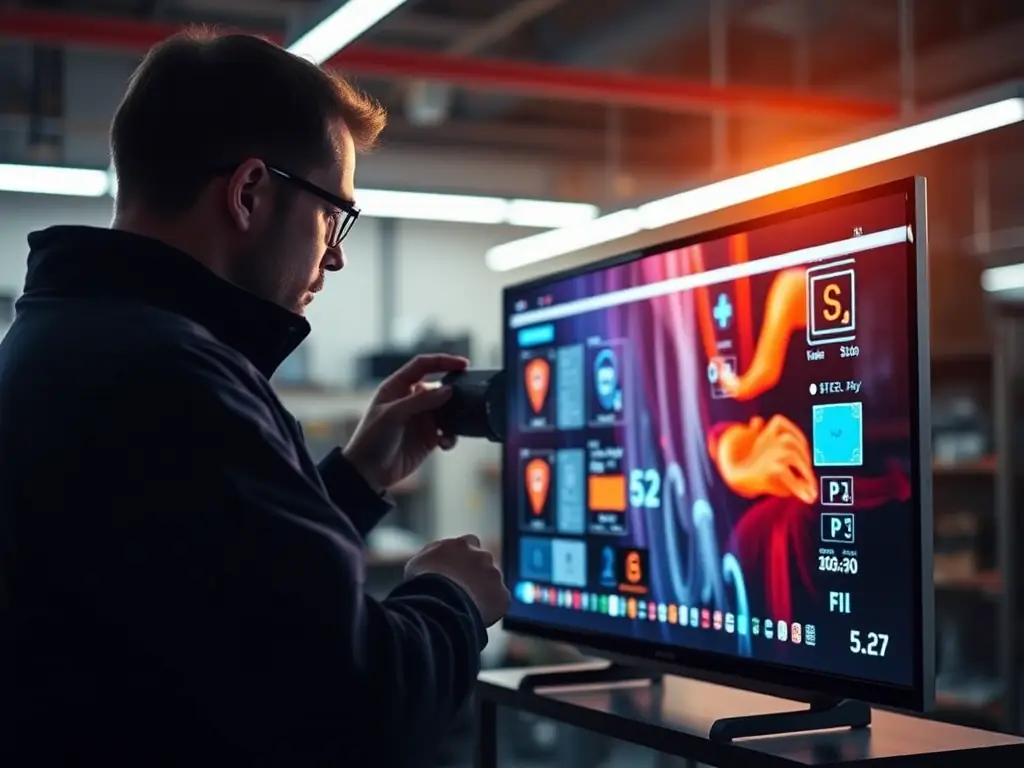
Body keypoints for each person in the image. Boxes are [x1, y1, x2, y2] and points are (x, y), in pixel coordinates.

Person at [0, 29, 509, 767]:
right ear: (248, 194)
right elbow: (352, 710)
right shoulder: (170, 377)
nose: (336, 255)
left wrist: (353, 480)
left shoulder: (71, 335)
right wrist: (452, 597)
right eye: (334, 215)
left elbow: (212, 592)